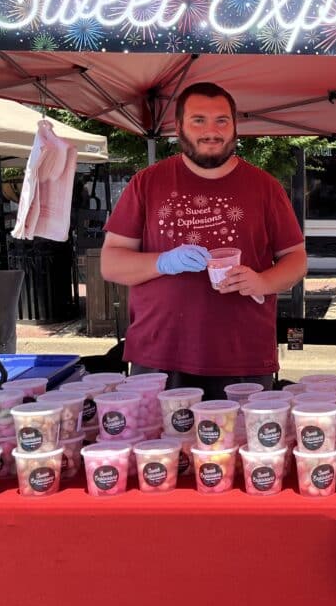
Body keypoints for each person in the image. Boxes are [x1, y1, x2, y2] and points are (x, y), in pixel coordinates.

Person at [101, 82, 307, 398]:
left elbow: (296, 258)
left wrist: (263, 282)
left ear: (235, 127)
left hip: (242, 354)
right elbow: (111, 263)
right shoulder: (147, 183)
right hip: (159, 354)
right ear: (178, 127)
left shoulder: (265, 187)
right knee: (157, 434)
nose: (211, 131)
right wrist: (164, 261)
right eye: (198, 120)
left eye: (221, 120)